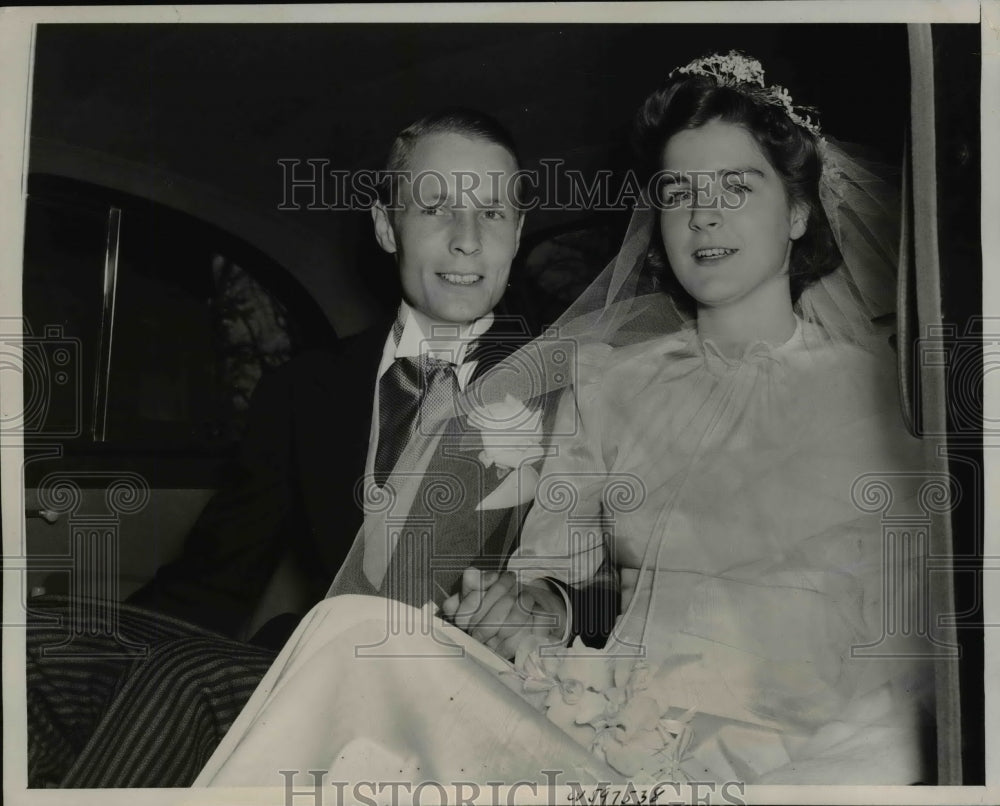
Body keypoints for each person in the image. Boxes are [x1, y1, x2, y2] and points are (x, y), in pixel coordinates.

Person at [194, 52, 941, 788]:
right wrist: (534, 607)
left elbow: (916, 637)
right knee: (350, 633)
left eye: (737, 187)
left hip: (808, 747)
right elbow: (555, 573)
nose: (703, 214)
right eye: (677, 191)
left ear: (799, 211)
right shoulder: (609, 382)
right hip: (606, 722)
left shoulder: (889, 396)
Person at [27, 108, 590, 787]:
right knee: (37, 657)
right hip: (315, 673)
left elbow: (648, 582)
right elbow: (213, 582)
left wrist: (553, 604)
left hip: (475, 700)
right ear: (386, 226)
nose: (467, 240)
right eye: (436, 207)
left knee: (187, 682)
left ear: (518, 232)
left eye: (493, 213)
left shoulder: (577, 386)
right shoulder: (306, 388)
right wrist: (86, 638)